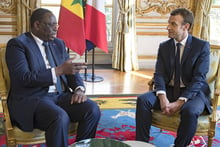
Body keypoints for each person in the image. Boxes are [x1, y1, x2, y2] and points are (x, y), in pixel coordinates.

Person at [5, 8, 101, 147]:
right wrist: (57, 71)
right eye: (51, 25)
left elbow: (70, 70)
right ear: (37, 25)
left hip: (59, 95)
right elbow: (23, 78)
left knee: (92, 109)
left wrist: (79, 89)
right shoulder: (18, 45)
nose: (56, 29)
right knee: (59, 117)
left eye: (57, 25)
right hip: (33, 98)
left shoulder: (58, 44)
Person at [135, 8, 212, 147]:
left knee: (190, 111)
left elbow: (198, 79)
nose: (168, 27)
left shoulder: (201, 46)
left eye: (173, 24)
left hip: (194, 93)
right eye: (168, 23)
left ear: (185, 27)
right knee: (143, 100)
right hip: (170, 89)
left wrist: (180, 102)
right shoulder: (164, 47)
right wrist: (162, 96)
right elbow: (159, 74)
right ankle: (141, 143)